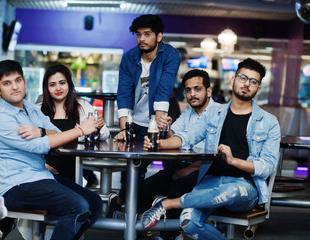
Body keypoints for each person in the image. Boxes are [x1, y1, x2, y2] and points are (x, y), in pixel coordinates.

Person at [141, 58, 281, 240]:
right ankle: (174, 204)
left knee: (231, 191)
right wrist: (159, 144)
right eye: (243, 78)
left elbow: (268, 166)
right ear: (233, 80)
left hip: (244, 188)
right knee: (188, 222)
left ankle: (169, 203)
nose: (247, 84)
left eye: (253, 81)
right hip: (210, 182)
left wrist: (234, 161)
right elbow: (187, 137)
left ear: (258, 89)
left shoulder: (269, 122)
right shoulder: (214, 114)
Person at [0, 60, 102, 240]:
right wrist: (80, 130)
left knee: (94, 203)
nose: (14, 87)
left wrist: (40, 131)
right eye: (7, 83)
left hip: (40, 176)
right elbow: (39, 145)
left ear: (24, 81)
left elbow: (56, 134)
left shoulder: (30, 108)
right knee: (77, 207)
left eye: (17, 80)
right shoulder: (0, 118)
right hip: (15, 187)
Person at [109, 14, 181, 216]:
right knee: (133, 170)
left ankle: (134, 207)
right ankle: (131, 211)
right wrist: (124, 129)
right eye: (139, 35)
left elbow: (164, 89)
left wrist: (158, 126)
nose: (142, 39)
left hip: (160, 120)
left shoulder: (170, 55)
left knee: (172, 168)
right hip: (135, 123)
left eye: (147, 34)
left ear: (159, 36)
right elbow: (123, 93)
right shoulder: (129, 57)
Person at [137, 69, 220, 240]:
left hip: (208, 171)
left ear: (208, 91)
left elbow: (217, 155)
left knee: (177, 186)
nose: (192, 94)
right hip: (184, 165)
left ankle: (170, 235)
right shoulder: (189, 112)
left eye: (197, 89)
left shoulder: (220, 113)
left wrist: (188, 170)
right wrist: (167, 128)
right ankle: (142, 228)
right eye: (188, 90)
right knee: (144, 186)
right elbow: (176, 137)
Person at [38, 64, 109, 187]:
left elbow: (104, 135)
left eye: (62, 83)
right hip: (44, 171)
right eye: (52, 85)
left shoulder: (82, 106)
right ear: (46, 88)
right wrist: (41, 166)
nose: (58, 88)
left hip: (74, 167)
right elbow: (29, 145)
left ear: (69, 84)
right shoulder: (38, 110)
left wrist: (99, 127)